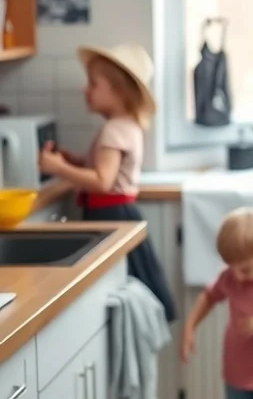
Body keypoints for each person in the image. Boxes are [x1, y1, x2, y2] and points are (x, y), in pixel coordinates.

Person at [37, 42, 177, 322]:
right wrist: (76, 161)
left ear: (119, 91)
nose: (85, 89)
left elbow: (103, 181)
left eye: (93, 83)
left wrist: (59, 167)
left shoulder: (114, 131)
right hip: (119, 213)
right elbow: (106, 172)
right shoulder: (125, 126)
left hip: (110, 215)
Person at [180, 207, 253, 399]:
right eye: (231, 267)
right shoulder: (230, 276)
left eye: (245, 269)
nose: (237, 275)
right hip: (236, 374)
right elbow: (209, 296)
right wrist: (190, 325)